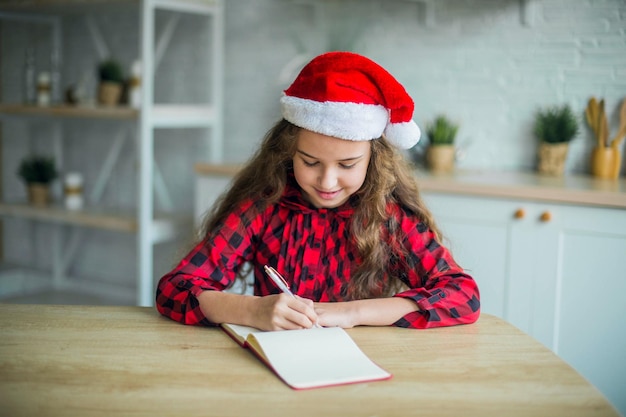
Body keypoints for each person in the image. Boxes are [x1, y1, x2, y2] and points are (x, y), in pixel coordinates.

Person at [156, 51, 480, 330]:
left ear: (374, 160)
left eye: (347, 165)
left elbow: (462, 295)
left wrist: (352, 313)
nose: (327, 182)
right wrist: (252, 310)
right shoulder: (264, 207)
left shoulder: (388, 218)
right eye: (310, 162)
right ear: (288, 153)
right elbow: (174, 289)